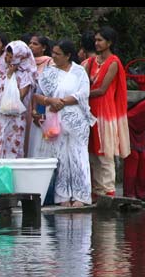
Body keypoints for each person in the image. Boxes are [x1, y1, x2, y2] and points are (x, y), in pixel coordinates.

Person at [33, 39, 96, 207]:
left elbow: (83, 93)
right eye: (53, 53)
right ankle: (62, 196)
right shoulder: (48, 72)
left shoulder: (79, 71)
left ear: (68, 56)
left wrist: (61, 102)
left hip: (76, 120)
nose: (53, 57)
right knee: (60, 156)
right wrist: (49, 100)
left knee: (78, 156)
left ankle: (81, 196)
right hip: (55, 119)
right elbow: (37, 94)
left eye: (57, 54)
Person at [85, 27, 130, 199]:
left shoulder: (113, 62)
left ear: (109, 43)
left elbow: (102, 89)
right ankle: (97, 191)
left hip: (105, 112)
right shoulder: (91, 62)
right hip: (91, 111)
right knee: (93, 153)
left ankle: (109, 190)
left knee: (105, 152)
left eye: (100, 40)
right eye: (95, 40)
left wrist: (81, 94)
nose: (96, 43)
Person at [0, 40, 36, 164]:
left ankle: (13, 178)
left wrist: (10, 75)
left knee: (13, 145)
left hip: (15, 119)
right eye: (6, 55)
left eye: (11, 56)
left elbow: (20, 96)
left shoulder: (26, 73)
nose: (7, 59)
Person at [26, 34, 55, 158]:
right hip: (26, 102)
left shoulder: (50, 62)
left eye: (35, 44)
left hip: (41, 104)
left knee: (39, 139)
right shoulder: (25, 62)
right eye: (30, 43)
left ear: (43, 48)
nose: (31, 46)